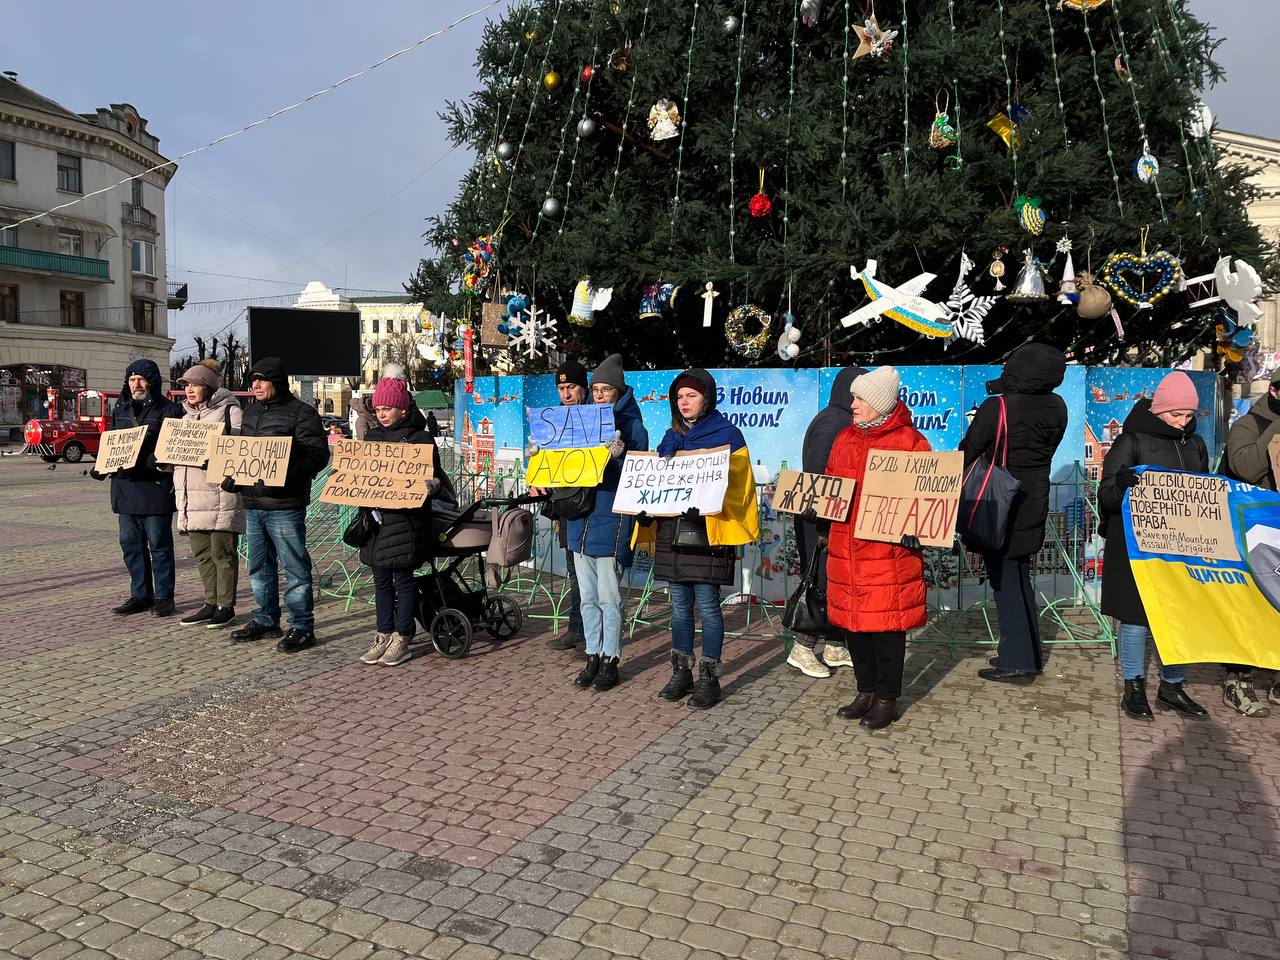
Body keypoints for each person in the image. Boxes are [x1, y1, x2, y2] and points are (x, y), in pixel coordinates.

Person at [640, 369, 760, 710]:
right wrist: (646, 506)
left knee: (707, 607)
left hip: (709, 535)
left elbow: (740, 488)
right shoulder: (669, 438)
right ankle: (681, 673)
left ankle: (710, 677)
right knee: (678, 608)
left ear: (706, 398)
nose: (684, 402)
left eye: (691, 396)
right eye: (679, 397)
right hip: (673, 536)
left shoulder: (728, 435)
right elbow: (655, 484)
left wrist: (709, 499)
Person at [1099, 371, 1209, 721]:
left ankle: (1172, 686)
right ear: (1159, 410)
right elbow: (1106, 495)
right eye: (1176, 414)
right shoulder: (1130, 442)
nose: (1183, 421)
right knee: (1135, 620)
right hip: (1135, 546)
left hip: (1182, 544)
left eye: (1189, 415)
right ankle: (1133, 687)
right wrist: (1122, 485)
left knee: (1179, 617)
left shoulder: (1195, 444)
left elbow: (1204, 492)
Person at [824, 366, 929, 730]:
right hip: (847, 549)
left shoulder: (910, 442)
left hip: (889, 554)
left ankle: (887, 697)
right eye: (853, 397)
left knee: (886, 628)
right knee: (854, 626)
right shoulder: (843, 439)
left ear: (881, 403)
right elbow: (833, 488)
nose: (852, 404)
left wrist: (918, 527)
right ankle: (865, 690)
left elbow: (927, 496)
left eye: (859, 398)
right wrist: (817, 509)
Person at [960, 343, 1069, 684]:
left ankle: (1017, 663)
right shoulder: (1058, 406)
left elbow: (968, 451)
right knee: (1020, 580)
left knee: (1006, 584)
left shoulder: (997, 407)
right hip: (1033, 500)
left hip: (1001, 502)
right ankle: (1024, 653)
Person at [227, 357, 331, 653]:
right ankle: (265, 619)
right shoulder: (251, 413)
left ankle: (301, 625)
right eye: (253, 380)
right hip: (253, 502)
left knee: (294, 566)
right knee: (259, 566)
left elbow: (316, 456)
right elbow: (244, 455)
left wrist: (281, 476)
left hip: (285, 504)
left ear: (278, 382)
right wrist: (234, 477)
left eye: (262, 380)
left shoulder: (302, 413)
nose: (255, 385)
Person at [357, 377, 453, 667]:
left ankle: (403, 636)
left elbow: (436, 475)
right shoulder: (372, 438)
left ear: (403, 409)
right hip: (377, 521)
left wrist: (430, 485)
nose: (382, 413)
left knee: (404, 579)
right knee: (381, 581)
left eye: (388, 408)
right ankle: (383, 633)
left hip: (407, 521)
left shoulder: (420, 439)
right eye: (378, 409)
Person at [566, 355, 648, 692]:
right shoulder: (578, 421)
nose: (599, 395)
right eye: (596, 389)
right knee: (586, 597)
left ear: (618, 391)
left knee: (608, 596)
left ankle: (611, 657)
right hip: (579, 520)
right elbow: (566, 464)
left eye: (606, 389)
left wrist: (619, 459)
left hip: (611, 518)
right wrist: (541, 457)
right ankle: (592, 654)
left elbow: (640, 473)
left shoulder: (633, 427)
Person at [788, 365, 866, 679]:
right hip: (820, 519)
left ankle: (835, 646)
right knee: (821, 582)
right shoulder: (834, 422)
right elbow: (822, 479)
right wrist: (823, 526)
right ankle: (802, 648)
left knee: (835, 582)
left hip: (829, 516)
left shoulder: (839, 418)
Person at [93, 358, 183, 617]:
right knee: (130, 545)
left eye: (142, 379)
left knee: (159, 545)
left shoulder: (170, 411)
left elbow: (172, 450)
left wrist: (155, 460)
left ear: (152, 382)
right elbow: (111, 442)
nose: (137, 384)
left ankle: (164, 597)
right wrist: (102, 465)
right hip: (125, 488)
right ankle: (141, 594)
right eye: (132, 379)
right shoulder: (120, 408)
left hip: (154, 488)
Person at [1218, 368, 1280, 716]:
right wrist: (1274, 429)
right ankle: (1237, 681)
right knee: (1249, 604)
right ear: (1274, 393)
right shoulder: (1249, 424)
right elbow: (1244, 467)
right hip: (1252, 535)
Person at [174, 360, 245, 629]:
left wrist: (214, 460)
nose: (189, 390)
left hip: (219, 497)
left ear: (209, 387)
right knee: (202, 554)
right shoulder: (184, 419)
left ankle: (226, 606)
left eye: (195, 385)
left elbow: (238, 451)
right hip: (191, 498)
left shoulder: (230, 413)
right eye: (186, 386)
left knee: (222, 554)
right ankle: (210, 602)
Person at [537, 358, 590, 656]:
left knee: (590, 575)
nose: (566, 394)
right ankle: (576, 629)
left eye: (571, 387)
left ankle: (591, 635)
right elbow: (547, 461)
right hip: (566, 505)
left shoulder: (595, 418)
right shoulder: (554, 420)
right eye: (561, 388)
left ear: (583, 387)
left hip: (590, 505)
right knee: (574, 573)